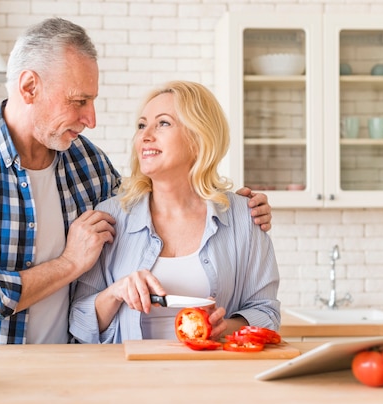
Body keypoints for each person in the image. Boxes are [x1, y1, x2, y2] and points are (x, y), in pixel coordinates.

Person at [0, 18, 272, 345]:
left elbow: (153, 201)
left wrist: (238, 207)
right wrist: (69, 263)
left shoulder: (89, 165)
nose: (90, 118)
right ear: (30, 88)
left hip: (69, 369)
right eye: (79, 101)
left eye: (92, 101)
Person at [69, 81, 280, 344]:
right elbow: (79, 323)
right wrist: (116, 292)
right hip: (130, 377)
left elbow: (266, 312)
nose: (145, 136)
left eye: (163, 123)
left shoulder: (243, 216)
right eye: (142, 125)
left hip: (213, 377)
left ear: (198, 136)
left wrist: (224, 328)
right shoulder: (111, 218)